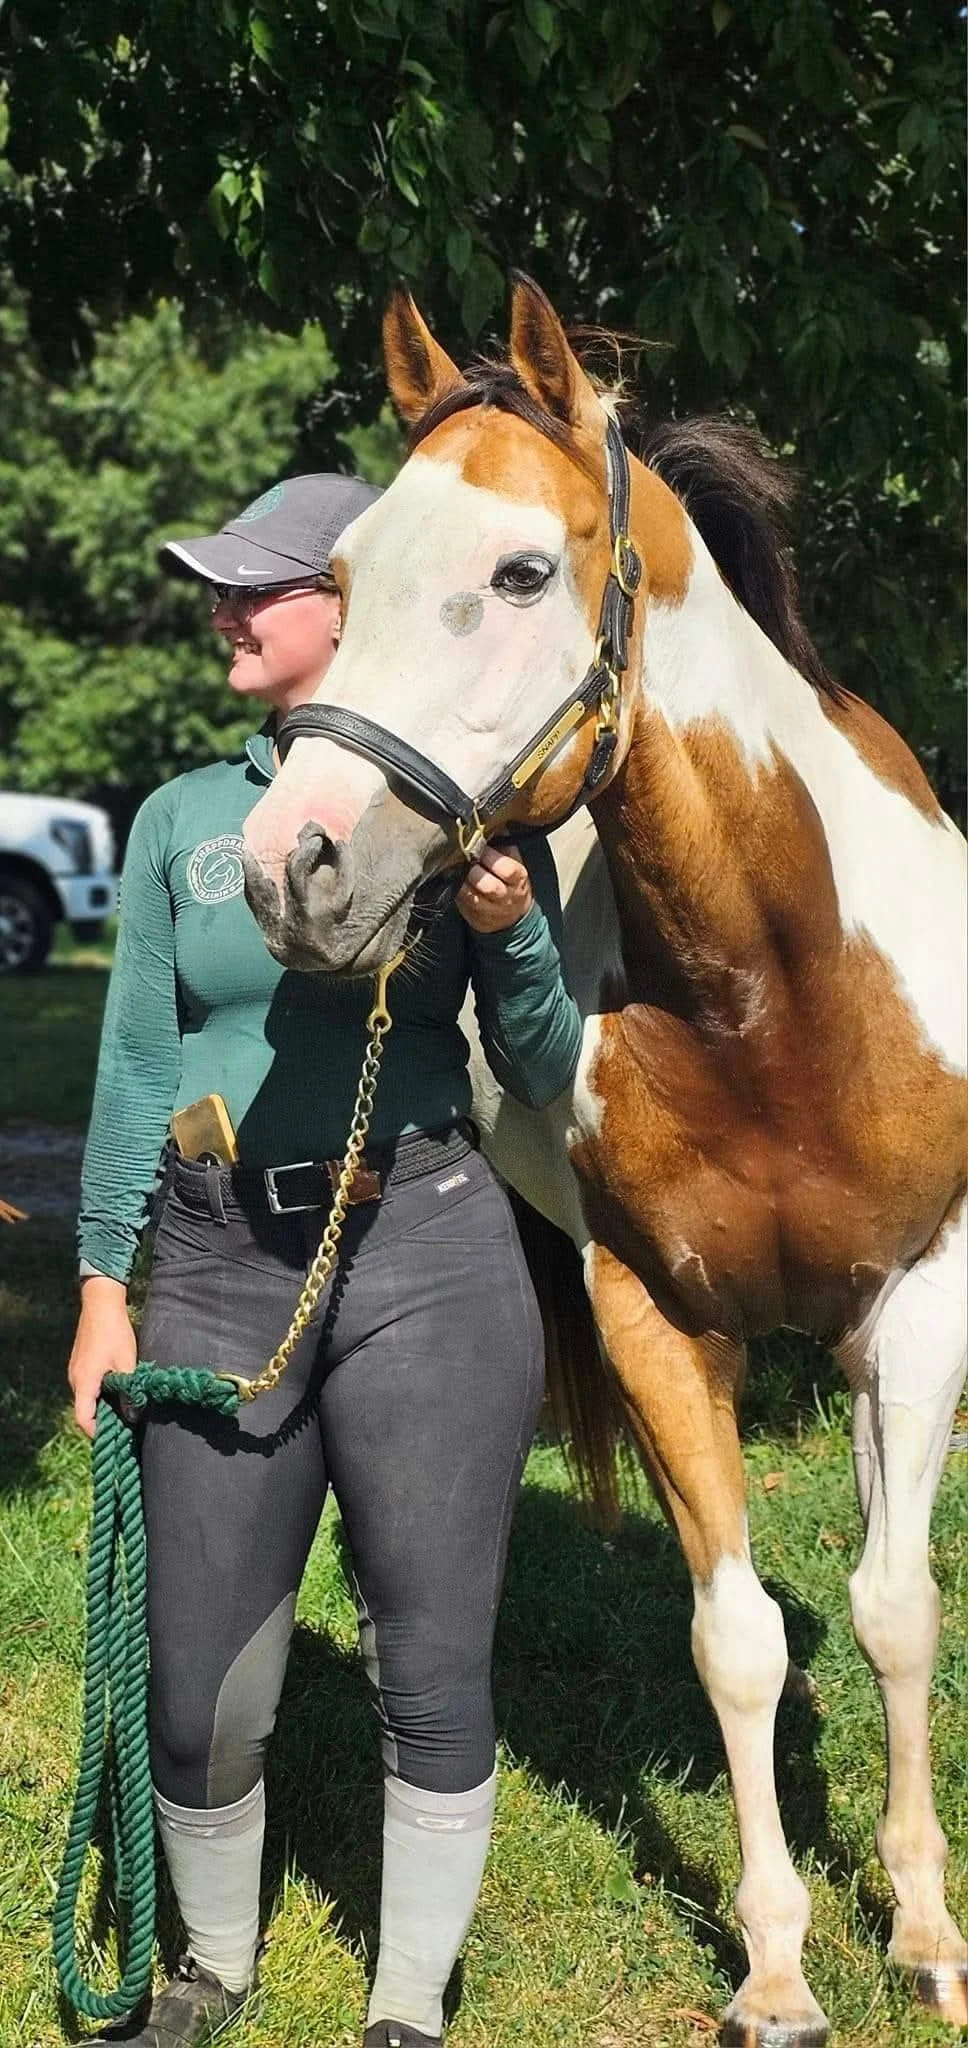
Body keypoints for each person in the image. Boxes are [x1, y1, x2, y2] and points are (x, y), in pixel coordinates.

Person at [68, 472, 583, 2048]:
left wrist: (513, 934)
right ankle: (208, 1969)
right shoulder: (178, 820)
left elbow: (549, 1067)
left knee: (432, 1655)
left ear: (345, 609)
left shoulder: (465, 821)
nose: (225, 607)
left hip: (428, 1249)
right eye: (218, 585)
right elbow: (138, 1064)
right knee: (197, 1684)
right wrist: (104, 1284)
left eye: (258, 586)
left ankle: (407, 2009)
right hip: (221, 1259)